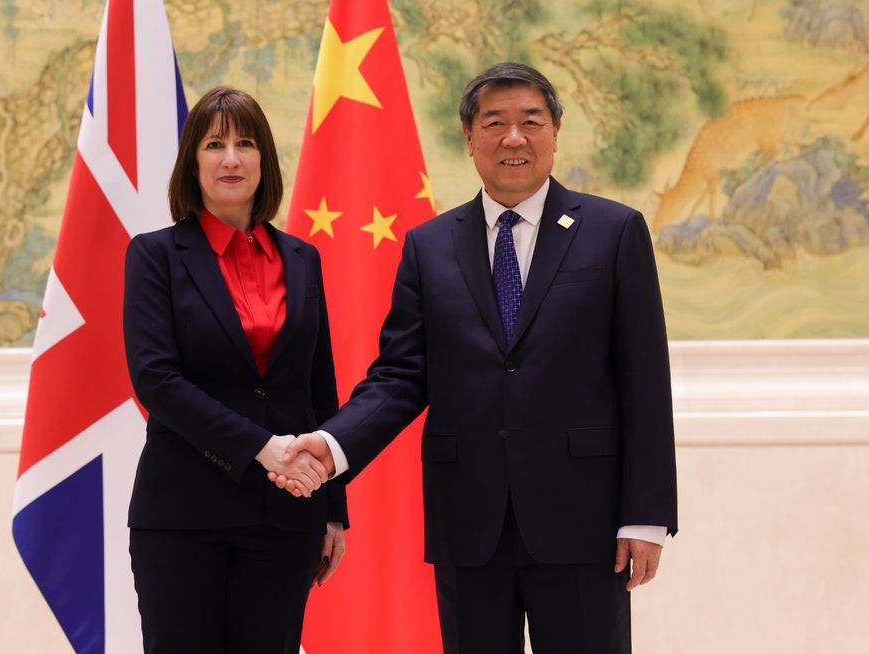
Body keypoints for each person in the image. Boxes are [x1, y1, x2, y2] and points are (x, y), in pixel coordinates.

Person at [273, 62, 677, 653]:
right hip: (470, 522)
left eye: (530, 122)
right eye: (495, 124)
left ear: (556, 130)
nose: (513, 139)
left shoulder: (613, 233)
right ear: (469, 138)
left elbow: (644, 382)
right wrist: (332, 445)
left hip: (582, 522)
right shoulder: (429, 246)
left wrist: (645, 516)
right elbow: (399, 377)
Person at [122, 86, 348, 654]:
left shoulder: (303, 259)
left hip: (288, 517)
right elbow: (157, 381)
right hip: (183, 514)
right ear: (192, 162)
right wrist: (261, 447)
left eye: (245, 143)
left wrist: (334, 511)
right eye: (214, 144)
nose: (230, 158)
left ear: (264, 160)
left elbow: (319, 388)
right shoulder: (153, 256)